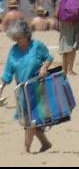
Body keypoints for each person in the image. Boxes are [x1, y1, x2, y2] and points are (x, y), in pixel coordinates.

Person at [0, 21, 54, 153]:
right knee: (29, 120)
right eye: (14, 39)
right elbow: (8, 71)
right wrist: (1, 87)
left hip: (38, 88)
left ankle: (26, 150)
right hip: (23, 91)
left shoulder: (37, 46)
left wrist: (44, 67)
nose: (17, 41)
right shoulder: (14, 50)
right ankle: (45, 143)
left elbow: (49, 57)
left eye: (19, 38)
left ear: (26, 34)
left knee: (30, 120)